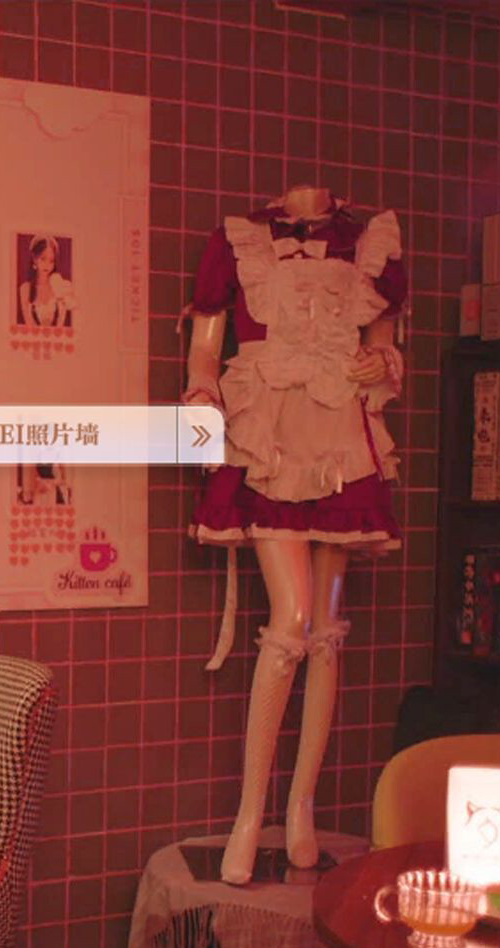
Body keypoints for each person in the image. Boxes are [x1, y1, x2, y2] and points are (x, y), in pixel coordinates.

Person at [182, 185, 405, 883]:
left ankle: (300, 807)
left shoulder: (367, 242)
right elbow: (204, 348)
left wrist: (381, 364)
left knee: (328, 632)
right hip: (271, 431)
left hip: (340, 430)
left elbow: (384, 345)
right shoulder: (242, 239)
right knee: (294, 619)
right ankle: (251, 815)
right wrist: (202, 395)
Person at [17, 234, 74, 327]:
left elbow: (60, 322)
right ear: (35, 259)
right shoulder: (25, 289)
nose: (47, 265)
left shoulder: (59, 287)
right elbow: (29, 323)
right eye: (43, 259)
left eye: (51, 261)